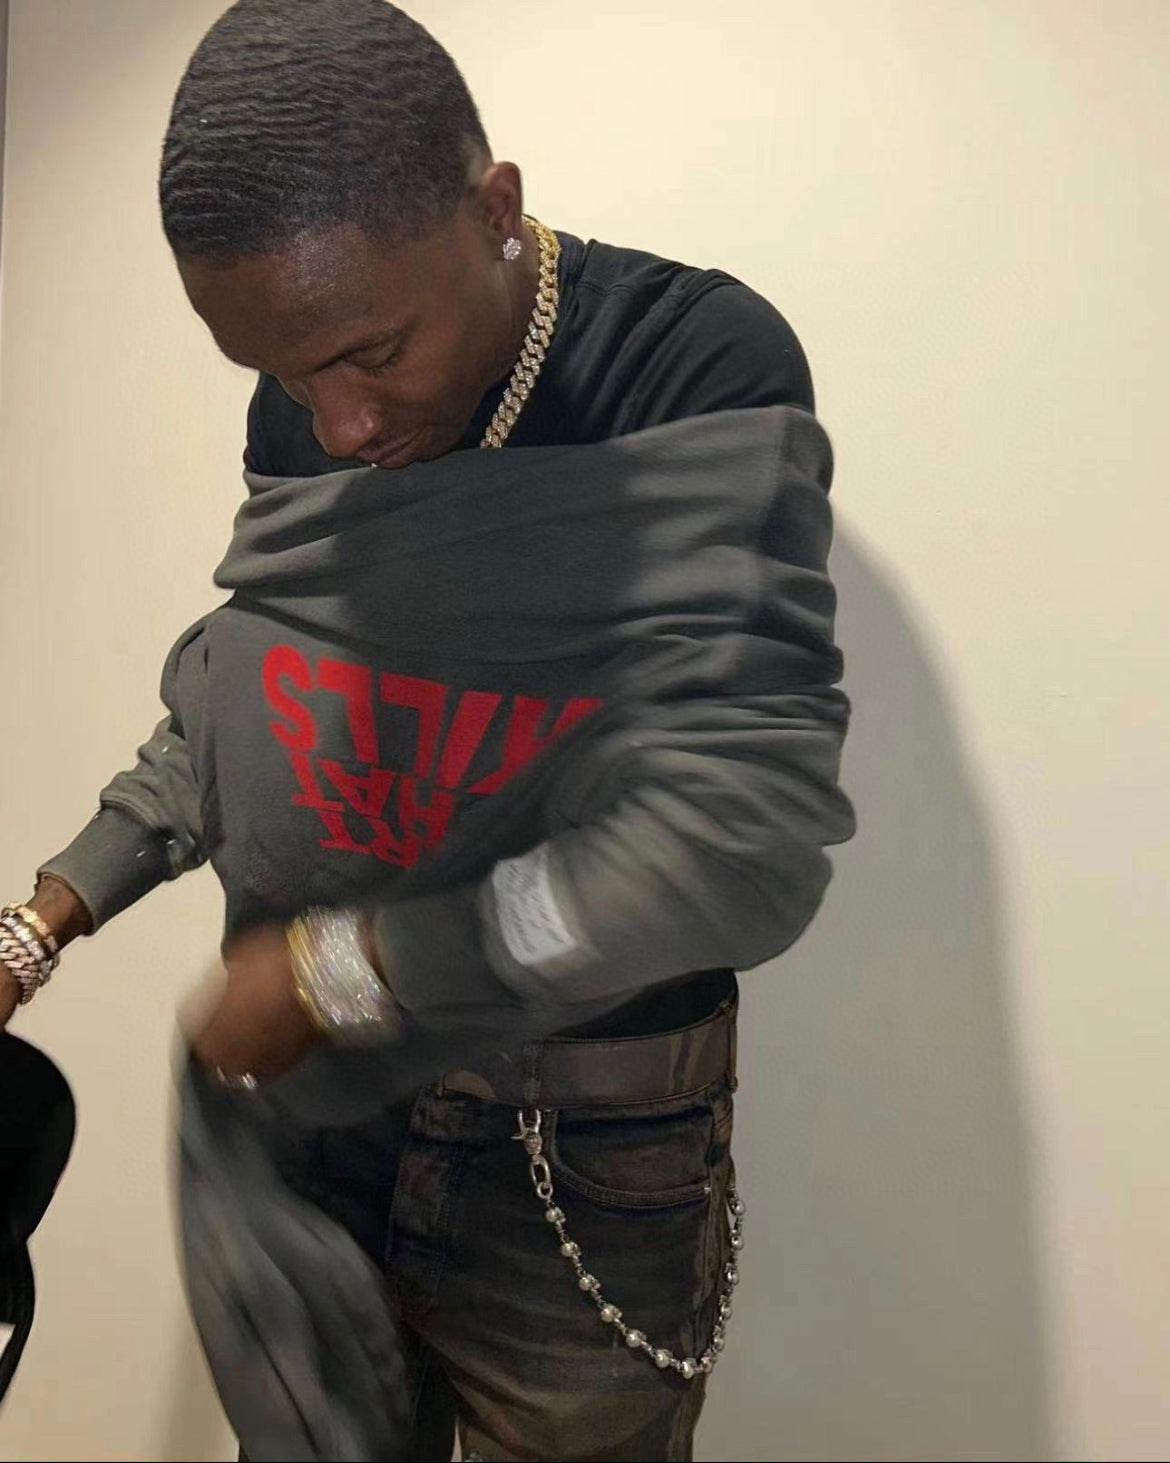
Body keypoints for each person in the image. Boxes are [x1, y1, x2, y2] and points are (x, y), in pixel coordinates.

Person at [0, 2, 854, 1459]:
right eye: (282, 374)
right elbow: (247, 705)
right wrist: (45, 919)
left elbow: (729, 842)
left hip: (569, 1139)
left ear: (495, 209)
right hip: (307, 1117)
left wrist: (347, 968)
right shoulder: (316, 401)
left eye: (370, 353)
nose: (335, 426)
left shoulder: (685, 368)